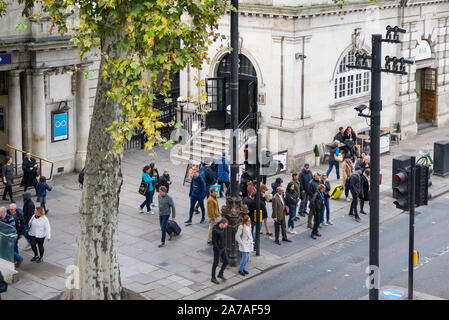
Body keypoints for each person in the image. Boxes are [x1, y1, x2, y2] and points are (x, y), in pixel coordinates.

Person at [211, 218, 229, 284]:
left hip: (223, 248)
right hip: (217, 250)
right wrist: (218, 249)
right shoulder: (215, 230)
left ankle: (220, 274)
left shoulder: (222, 228)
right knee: (215, 264)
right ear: (222, 224)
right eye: (225, 225)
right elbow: (214, 241)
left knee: (226, 261)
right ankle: (213, 278)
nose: (226, 226)